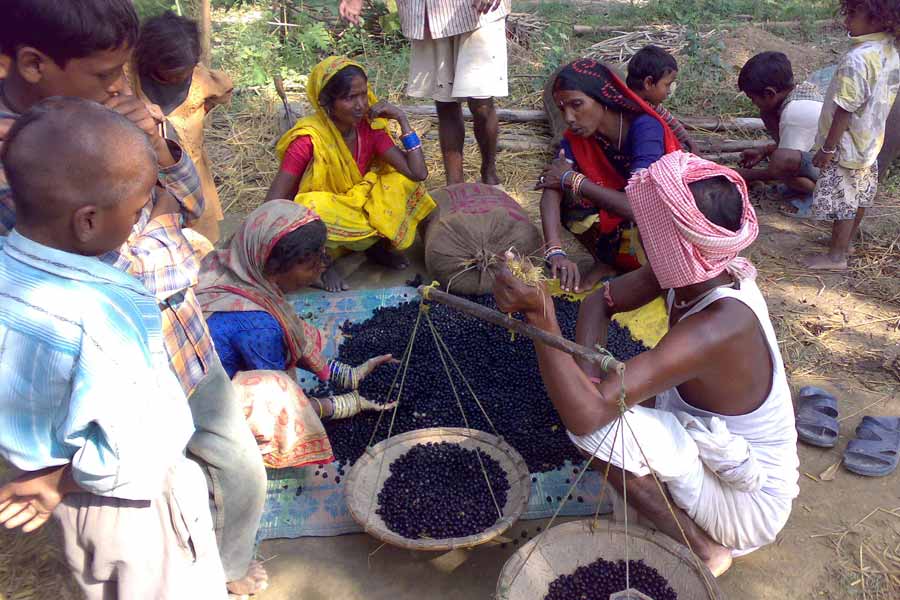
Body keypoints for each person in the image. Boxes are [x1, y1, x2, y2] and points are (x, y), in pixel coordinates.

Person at [0, 3, 268, 595]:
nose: (120, 87)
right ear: (32, 63)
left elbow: (192, 204)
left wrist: (161, 149)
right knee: (138, 531)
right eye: (104, 75)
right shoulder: (17, 153)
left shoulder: (121, 115)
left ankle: (228, 569)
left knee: (240, 469)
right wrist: (157, 219)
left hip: (180, 336)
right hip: (96, 390)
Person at [493, 151, 799, 577]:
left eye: (649, 225)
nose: (640, 229)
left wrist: (542, 316)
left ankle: (705, 549)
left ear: (675, 240)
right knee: (598, 407)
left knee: (595, 430)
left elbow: (585, 420)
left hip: (745, 504)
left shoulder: (717, 326)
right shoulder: (697, 267)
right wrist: (589, 380)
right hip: (712, 453)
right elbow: (601, 300)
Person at [196, 201, 398, 467]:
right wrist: (343, 405)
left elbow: (291, 333)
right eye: (310, 265)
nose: (319, 271)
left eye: (322, 259)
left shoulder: (232, 267)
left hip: (212, 365)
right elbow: (279, 402)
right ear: (274, 267)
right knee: (274, 395)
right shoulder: (259, 327)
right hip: (201, 409)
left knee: (287, 323)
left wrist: (345, 374)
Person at [267, 56, 434, 292]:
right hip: (327, 219)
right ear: (326, 102)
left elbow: (417, 173)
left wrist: (403, 120)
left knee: (401, 183)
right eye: (349, 98)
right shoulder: (308, 139)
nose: (361, 105)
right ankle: (322, 263)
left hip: (357, 206)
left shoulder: (369, 127)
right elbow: (274, 200)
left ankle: (374, 247)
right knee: (310, 206)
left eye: (363, 94)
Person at [537, 59, 682, 294]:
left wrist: (573, 180)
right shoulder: (576, 137)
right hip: (623, 216)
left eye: (577, 105)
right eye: (563, 109)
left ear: (602, 99)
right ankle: (607, 262)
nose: (569, 117)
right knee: (568, 200)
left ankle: (653, 274)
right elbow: (552, 188)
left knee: (574, 187)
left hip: (663, 226)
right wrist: (555, 251)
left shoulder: (645, 128)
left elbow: (640, 207)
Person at [340, 0, 508, 187]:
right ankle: (454, 186)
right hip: (430, 12)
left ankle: (489, 173)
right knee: (445, 101)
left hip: (477, 13)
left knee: (482, 103)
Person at [804, 0, 900, 270]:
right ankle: (845, 243)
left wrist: (827, 149)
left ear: (878, 19)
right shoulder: (890, 51)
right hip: (869, 141)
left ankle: (836, 257)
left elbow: (845, 108)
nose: (847, 20)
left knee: (845, 201)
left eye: (853, 14)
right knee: (858, 198)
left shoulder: (858, 58)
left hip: (846, 144)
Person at [131, 11, 234, 244]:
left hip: (192, 170)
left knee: (198, 238)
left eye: (184, 73)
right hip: (147, 172)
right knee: (156, 236)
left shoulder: (200, 80)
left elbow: (225, 88)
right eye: (171, 76)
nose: (179, 79)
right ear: (150, 62)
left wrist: (198, 112)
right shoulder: (130, 79)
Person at [735, 52, 825, 217]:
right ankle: (802, 187)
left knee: (781, 164)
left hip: (839, 174)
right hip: (823, 158)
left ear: (769, 93)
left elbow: (779, 166)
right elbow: (799, 147)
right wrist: (765, 151)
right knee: (767, 114)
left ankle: (818, 197)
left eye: (752, 98)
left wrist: (740, 175)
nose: (753, 103)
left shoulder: (795, 114)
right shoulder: (799, 92)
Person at [626, 45, 699, 154]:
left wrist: (689, 141)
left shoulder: (651, 105)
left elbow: (671, 121)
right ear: (648, 83)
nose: (669, 91)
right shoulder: (626, 108)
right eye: (667, 85)